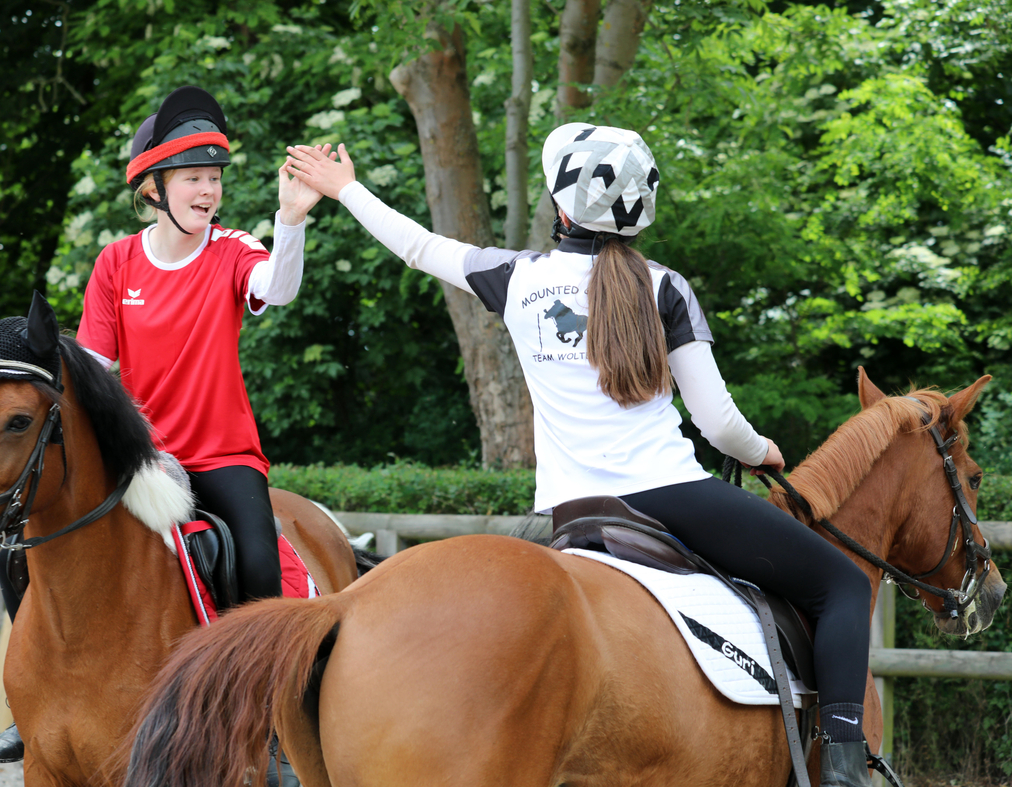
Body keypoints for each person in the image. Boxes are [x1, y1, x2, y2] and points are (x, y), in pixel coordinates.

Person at [284, 124, 875, 787]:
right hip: (674, 498)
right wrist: (762, 450)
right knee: (843, 585)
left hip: (574, 513)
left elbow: (419, 247)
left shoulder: (516, 277)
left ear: (562, 207)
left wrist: (346, 188)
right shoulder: (664, 287)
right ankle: (848, 770)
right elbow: (718, 423)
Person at [0, 86, 328, 782]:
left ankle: (265, 723)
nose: (210, 190)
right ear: (155, 187)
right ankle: (29, 705)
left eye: (216, 177)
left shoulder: (232, 249)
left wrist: (290, 222)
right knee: (18, 547)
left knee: (258, 565)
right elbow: (98, 372)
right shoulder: (116, 265)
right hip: (138, 459)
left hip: (224, 455)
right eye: (195, 178)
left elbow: (278, 287)